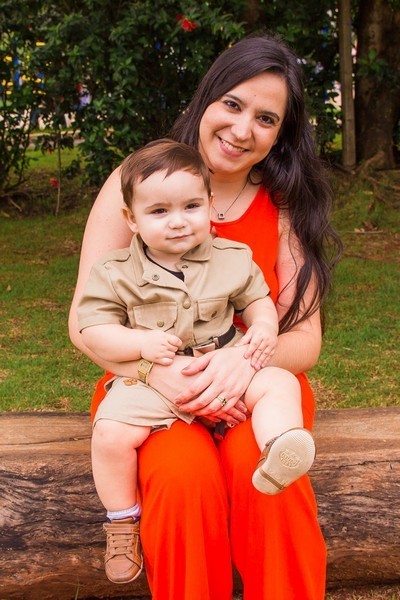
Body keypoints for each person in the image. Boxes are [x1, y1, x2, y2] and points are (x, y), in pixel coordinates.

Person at [69, 33, 342, 600]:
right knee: (181, 480)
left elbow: (305, 337)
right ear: (207, 98)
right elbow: (84, 322)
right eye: (233, 105)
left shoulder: (285, 205)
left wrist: (242, 363)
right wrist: (156, 371)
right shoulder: (137, 180)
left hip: (257, 388)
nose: (242, 130)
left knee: (266, 476)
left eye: (266, 119)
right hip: (151, 385)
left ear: (281, 134)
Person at [76, 138, 316, 584]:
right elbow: (91, 328)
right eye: (159, 211)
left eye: (191, 207)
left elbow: (257, 300)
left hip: (229, 363)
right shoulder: (115, 272)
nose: (178, 221)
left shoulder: (233, 257)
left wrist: (263, 329)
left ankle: (278, 448)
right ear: (131, 219)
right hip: (153, 382)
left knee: (279, 385)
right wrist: (141, 346)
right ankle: (121, 521)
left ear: (208, 206)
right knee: (111, 434)